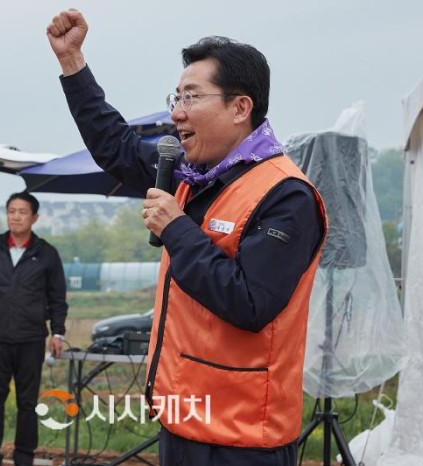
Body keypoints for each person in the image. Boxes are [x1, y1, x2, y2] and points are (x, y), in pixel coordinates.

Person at [47, 10, 327, 466]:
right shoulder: (188, 175)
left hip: (241, 440)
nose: (176, 112)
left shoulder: (286, 196)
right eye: (176, 97)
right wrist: (73, 62)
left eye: (192, 98)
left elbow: (250, 304)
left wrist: (177, 228)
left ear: (241, 107)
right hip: (182, 418)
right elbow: (113, 145)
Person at [0, 191, 68, 466]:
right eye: (12, 211)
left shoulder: (46, 254)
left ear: (34, 217)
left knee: (27, 403)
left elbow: (58, 299)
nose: (16, 216)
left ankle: (24, 457)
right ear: (6, 214)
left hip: (31, 339)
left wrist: (57, 333)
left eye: (22, 212)